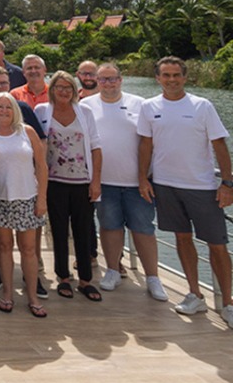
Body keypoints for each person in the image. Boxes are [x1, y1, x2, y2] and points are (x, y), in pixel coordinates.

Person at [138, 56, 232, 328]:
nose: (172, 80)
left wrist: (227, 184)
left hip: (202, 186)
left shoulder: (202, 106)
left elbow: (219, 145)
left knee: (217, 245)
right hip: (166, 185)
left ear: (185, 77)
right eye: (166, 75)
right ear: (158, 78)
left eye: (176, 75)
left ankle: (228, 303)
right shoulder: (149, 107)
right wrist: (142, 178)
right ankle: (195, 294)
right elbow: (146, 145)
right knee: (182, 238)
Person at [83, 63, 167, 301]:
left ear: (121, 80)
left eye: (112, 79)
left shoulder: (140, 104)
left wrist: (145, 177)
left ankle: (153, 277)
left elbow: (150, 141)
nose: (108, 83)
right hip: (103, 181)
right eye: (103, 79)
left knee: (143, 229)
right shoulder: (86, 105)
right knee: (109, 226)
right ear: (97, 81)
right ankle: (112, 270)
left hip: (137, 182)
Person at [34, 71, 102, 302]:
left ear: (74, 90)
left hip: (82, 182)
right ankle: (63, 276)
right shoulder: (42, 111)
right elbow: (36, 146)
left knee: (83, 231)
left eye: (68, 87)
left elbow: (96, 147)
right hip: (54, 182)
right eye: (59, 87)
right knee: (59, 230)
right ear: (51, 89)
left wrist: (96, 182)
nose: (63, 91)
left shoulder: (85, 112)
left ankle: (85, 280)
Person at [0, 66, 49, 297]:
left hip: (27, 197)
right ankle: (8, 294)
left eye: (8, 106)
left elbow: (41, 166)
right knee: (3, 247)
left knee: (29, 249)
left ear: (16, 109)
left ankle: (32, 296)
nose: (4, 110)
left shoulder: (27, 132)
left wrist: (42, 199)